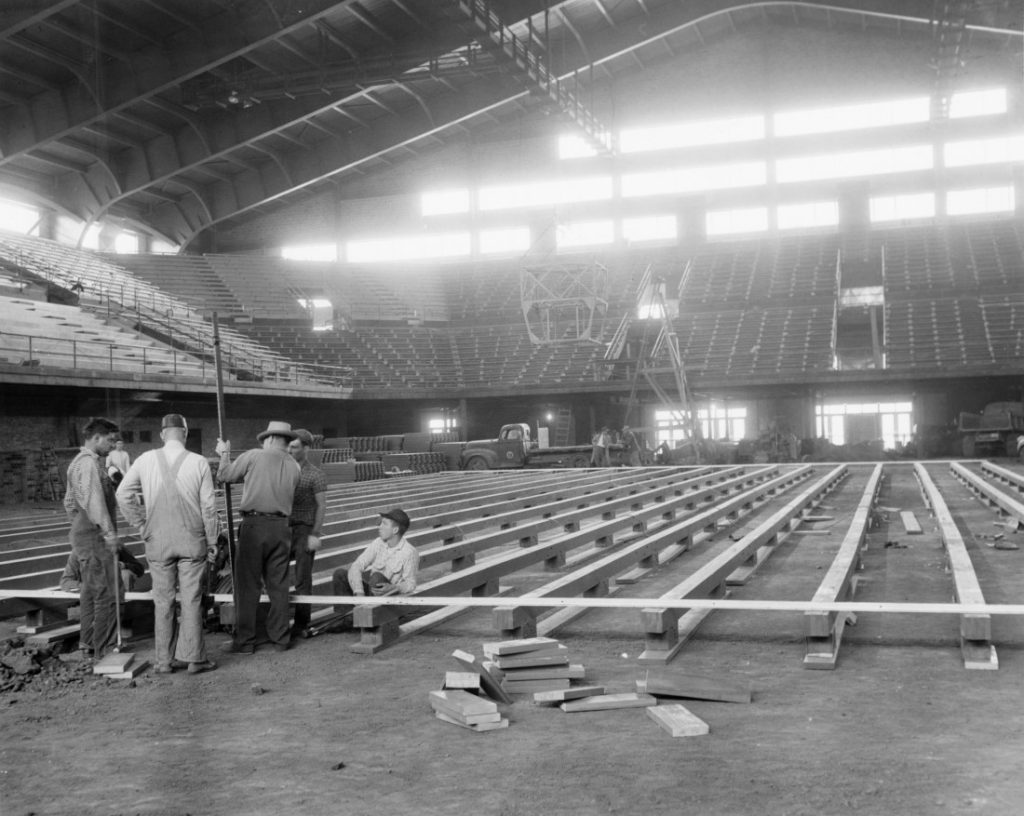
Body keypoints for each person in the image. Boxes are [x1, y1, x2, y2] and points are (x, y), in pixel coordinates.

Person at [116, 414, 220, 675]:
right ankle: (195, 659)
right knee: (192, 599)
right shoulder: (199, 462)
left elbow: (122, 495)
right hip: (191, 540)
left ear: (162, 434)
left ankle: (164, 661)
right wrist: (212, 539)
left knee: (162, 601)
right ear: (185, 433)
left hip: (158, 541)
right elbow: (208, 506)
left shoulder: (144, 459)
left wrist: (141, 525)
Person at [215, 420, 301, 654]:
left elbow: (224, 475)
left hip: (255, 526)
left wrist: (224, 454)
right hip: (282, 528)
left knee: (247, 586)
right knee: (279, 586)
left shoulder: (254, 456)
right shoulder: (295, 466)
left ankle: (245, 641)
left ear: (270, 438)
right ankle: (280, 638)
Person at [63, 417, 120, 658]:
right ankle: (104, 651)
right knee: (106, 594)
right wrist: (108, 534)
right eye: (109, 440)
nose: (113, 444)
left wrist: (80, 528)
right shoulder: (88, 465)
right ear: (96, 438)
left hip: (83, 533)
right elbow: (96, 504)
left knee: (88, 592)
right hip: (95, 536)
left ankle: (86, 644)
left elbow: (69, 503)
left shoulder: (76, 463)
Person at [330, 508, 419, 627]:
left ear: (395, 530)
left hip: (389, 601)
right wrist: (359, 593)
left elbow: (411, 584)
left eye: (384, 524)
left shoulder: (409, 552)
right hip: (370, 596)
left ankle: (356, 621)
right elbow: (357, 565)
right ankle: (348, 619)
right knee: (340, 574)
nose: (379, 526)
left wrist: (394, 587)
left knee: (377, 578)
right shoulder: (378, 543)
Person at [287, 429, 326, 640]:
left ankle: (302, 623)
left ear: (306, 448)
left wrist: (315, 534)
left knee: (303, 579)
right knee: (277, 576)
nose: (290, 450)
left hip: (304, 530)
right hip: (283, 529)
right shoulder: (282, 470)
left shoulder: (316, 474)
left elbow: (321, 506)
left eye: (294, 447)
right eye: (289, 446)